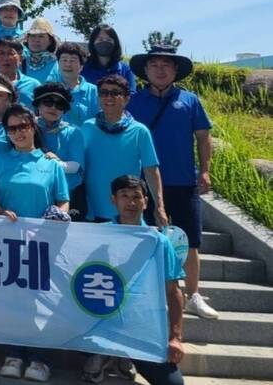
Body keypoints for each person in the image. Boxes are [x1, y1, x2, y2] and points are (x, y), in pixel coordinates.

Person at [128, 45, 216, 320]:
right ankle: (152, 294)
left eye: (167, 64)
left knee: (190, 241)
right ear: (145, 70)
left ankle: (193, 295)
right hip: (145, 184)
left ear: (176, 70)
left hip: (182, 180)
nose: (160, 69)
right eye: (154, 65)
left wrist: (205, 171)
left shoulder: (190, 100)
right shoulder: (134, 102)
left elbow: (203, 137)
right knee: (147, 238)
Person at [0, 105, 70, 383]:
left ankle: (41, 359)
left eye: (23, 126)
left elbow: (62, 199)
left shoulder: (51, 163)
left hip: (44, 244)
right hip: (8, 242)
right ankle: (14, 354)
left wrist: (58, 217)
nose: (18, 133)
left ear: (33, 126)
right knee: (13, 301)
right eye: (12, 129)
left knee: (43, 302)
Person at [82, 175, 186, 385]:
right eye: (124, 196)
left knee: (173, 383)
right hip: (103, 323)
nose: (130, 203)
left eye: (136, 197)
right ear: (114, 200)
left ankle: (122, 356)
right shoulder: (100, 236)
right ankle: (106, 355)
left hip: (142, 328)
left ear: (146, 202)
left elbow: (173, 290)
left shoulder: (159, 242)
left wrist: (175, 337)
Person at [82, 75, 167, 225]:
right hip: (92, 212)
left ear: (127, 98)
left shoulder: (140, 131)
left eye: (115, 93)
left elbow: (151, 170)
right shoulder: (87, 127)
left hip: (127, 214)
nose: (109, 97)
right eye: (104, 93)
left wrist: (159, 206)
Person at [32, 82, 86, 217]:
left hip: (68, 197)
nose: (54, 108)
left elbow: (74, 166)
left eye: (60, 105)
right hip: (36, 195)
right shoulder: (28, 129)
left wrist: (52, 162)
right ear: (38, 105)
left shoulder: (74, 132)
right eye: (48, 102)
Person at [82, 24, 137, 94]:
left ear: (115, 43)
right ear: (93, 43)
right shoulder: (83, 68)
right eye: (100, 39)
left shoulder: (125, 70)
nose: (104, 42)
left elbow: (131, 95)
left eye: (108, 39)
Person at [54, 42, 99, 127]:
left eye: (73, 60)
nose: (68, 64)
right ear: (58, 64)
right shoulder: (49, 89)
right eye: (64, 60)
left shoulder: (94, 91)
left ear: (81, 66)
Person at [22, 17, 59, 83]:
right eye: (33, 36)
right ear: (27, 39)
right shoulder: (19, 61)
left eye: (41, 36)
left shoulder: (58, 64)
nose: (36, 40)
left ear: (50, 41)